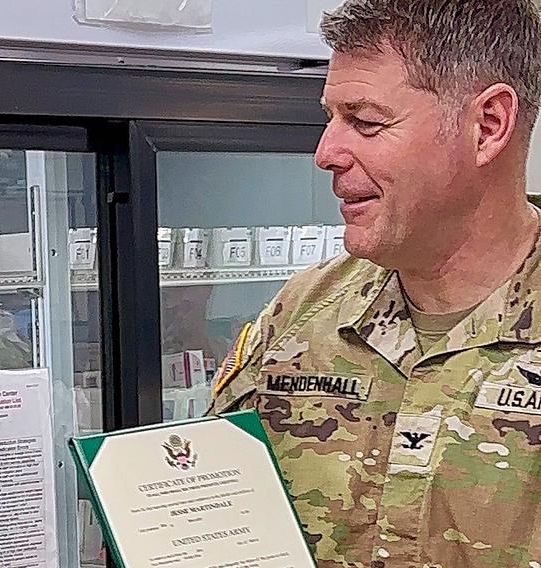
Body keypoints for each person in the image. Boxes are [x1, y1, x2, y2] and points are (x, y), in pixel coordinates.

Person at [209, 0, 541, 566]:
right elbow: (212, 508)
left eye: (365, 121)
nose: (326, 153)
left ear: (487, 127)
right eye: (330, 117)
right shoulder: (300, 314)